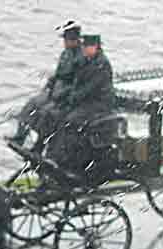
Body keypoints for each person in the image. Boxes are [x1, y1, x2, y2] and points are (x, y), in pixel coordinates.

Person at [47, 34, 115, 184]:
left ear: (96, 47)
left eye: (87, 47)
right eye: (83, 47)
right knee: (57, 115)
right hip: (85, 102)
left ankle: (70, 162)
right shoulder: (85, 60)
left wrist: (70, 98)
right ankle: (54, 156)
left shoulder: (101, 64)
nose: (84, 49)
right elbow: (72, 79)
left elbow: (89, 89)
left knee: (71, 120)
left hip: (99, 105)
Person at [7, 21, 83, 148]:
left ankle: (39, 145)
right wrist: (48, 87)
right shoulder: (65, 54)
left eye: (68, 40)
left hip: (66, 96)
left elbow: (78, 82)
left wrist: (60, 95)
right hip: (55, 90)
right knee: (31, 104)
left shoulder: (82, 57)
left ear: (75, 40)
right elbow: (58, 75)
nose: (65, 42)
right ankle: (20, 136)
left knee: (46, 112)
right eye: (65, 39)